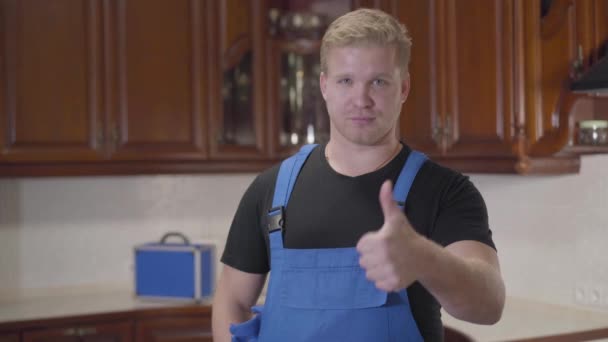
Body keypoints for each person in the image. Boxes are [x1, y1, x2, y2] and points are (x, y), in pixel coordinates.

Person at [212, 8, 505, 342]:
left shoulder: (446, 191)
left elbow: (489, 305)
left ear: (404, 88)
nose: (361, 99)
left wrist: (424, 259)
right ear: (324, 85)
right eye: (346, 81)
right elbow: (232, 300)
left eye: (378, 82)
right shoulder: (270, 190)